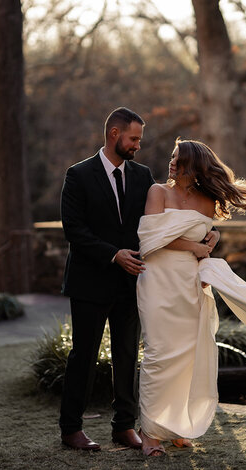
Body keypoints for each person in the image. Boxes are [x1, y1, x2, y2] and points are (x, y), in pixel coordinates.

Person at [57, 108, 219, 451]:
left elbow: (168, 222)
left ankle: (124, 426)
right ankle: (72, 428)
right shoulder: (79, 175)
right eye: (134, 139)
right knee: (83, 355)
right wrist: (113, 254)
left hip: (135, 282)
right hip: (90, 280)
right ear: (114, 134)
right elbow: (74, 229)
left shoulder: (143, 175)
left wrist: (210, 234)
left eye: (139, 140)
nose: (138, 146)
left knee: (128, 355)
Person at [136, 139, 246, 456]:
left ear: (193, 165)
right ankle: (149, 433)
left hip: (190, 283)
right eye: (171, 157)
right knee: (159, 355)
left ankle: (174, 426)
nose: (171, 162)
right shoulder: (158, 192)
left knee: (188, 356)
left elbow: (203, 234)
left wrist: (212, 236)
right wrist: (196, 247)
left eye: (178, 158)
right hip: (158, 280)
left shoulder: (205, 200)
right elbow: (150, 239)